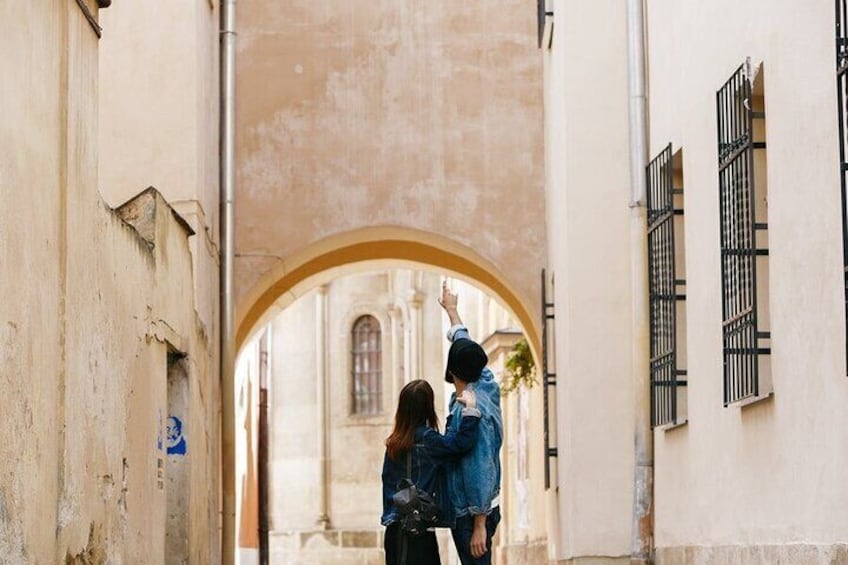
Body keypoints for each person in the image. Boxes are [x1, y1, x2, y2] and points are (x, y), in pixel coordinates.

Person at [381, 379, 481, 565]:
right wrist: (470, 410)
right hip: (418, 532)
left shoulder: (392, 444)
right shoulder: (429, 440)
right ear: (428, 408)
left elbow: (388, 485)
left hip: (393, 531)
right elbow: (461, 444)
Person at [439, 282, 503, 565]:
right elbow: (466, 347)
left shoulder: (472, 410)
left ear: (451, 371)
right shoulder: (485, 382)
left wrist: (479, 524)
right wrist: (452, 312)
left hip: (472, 513)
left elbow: (480, 465)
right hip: (475, 509)